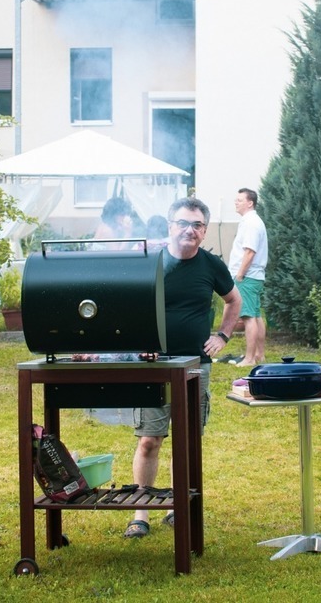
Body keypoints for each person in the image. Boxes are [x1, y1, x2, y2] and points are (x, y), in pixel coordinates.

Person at [124, 197, 241, 539]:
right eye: (183, 223)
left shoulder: (211, 265)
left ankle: (178, 507)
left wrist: (222, 335)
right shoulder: (153, 261)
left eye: (197, 225)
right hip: (154, 365)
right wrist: (138, 344)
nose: (189, 230)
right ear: (169, 226)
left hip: (195, 366)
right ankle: (140, 512)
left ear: (204, 231)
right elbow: (130, 305)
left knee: (186, 441)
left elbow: (234, 300)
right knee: (149, 440)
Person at [226, 188, 268, 367]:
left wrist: (240, 275)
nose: (236, 202)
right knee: (256, 315)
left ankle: (250, 358)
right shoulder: (251, 221)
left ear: (250, 203)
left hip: (247, 276)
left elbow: (250, 252)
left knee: (249, 317)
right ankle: (260, 355)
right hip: (254, 276)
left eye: (239, 200)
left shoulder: (251, 222)